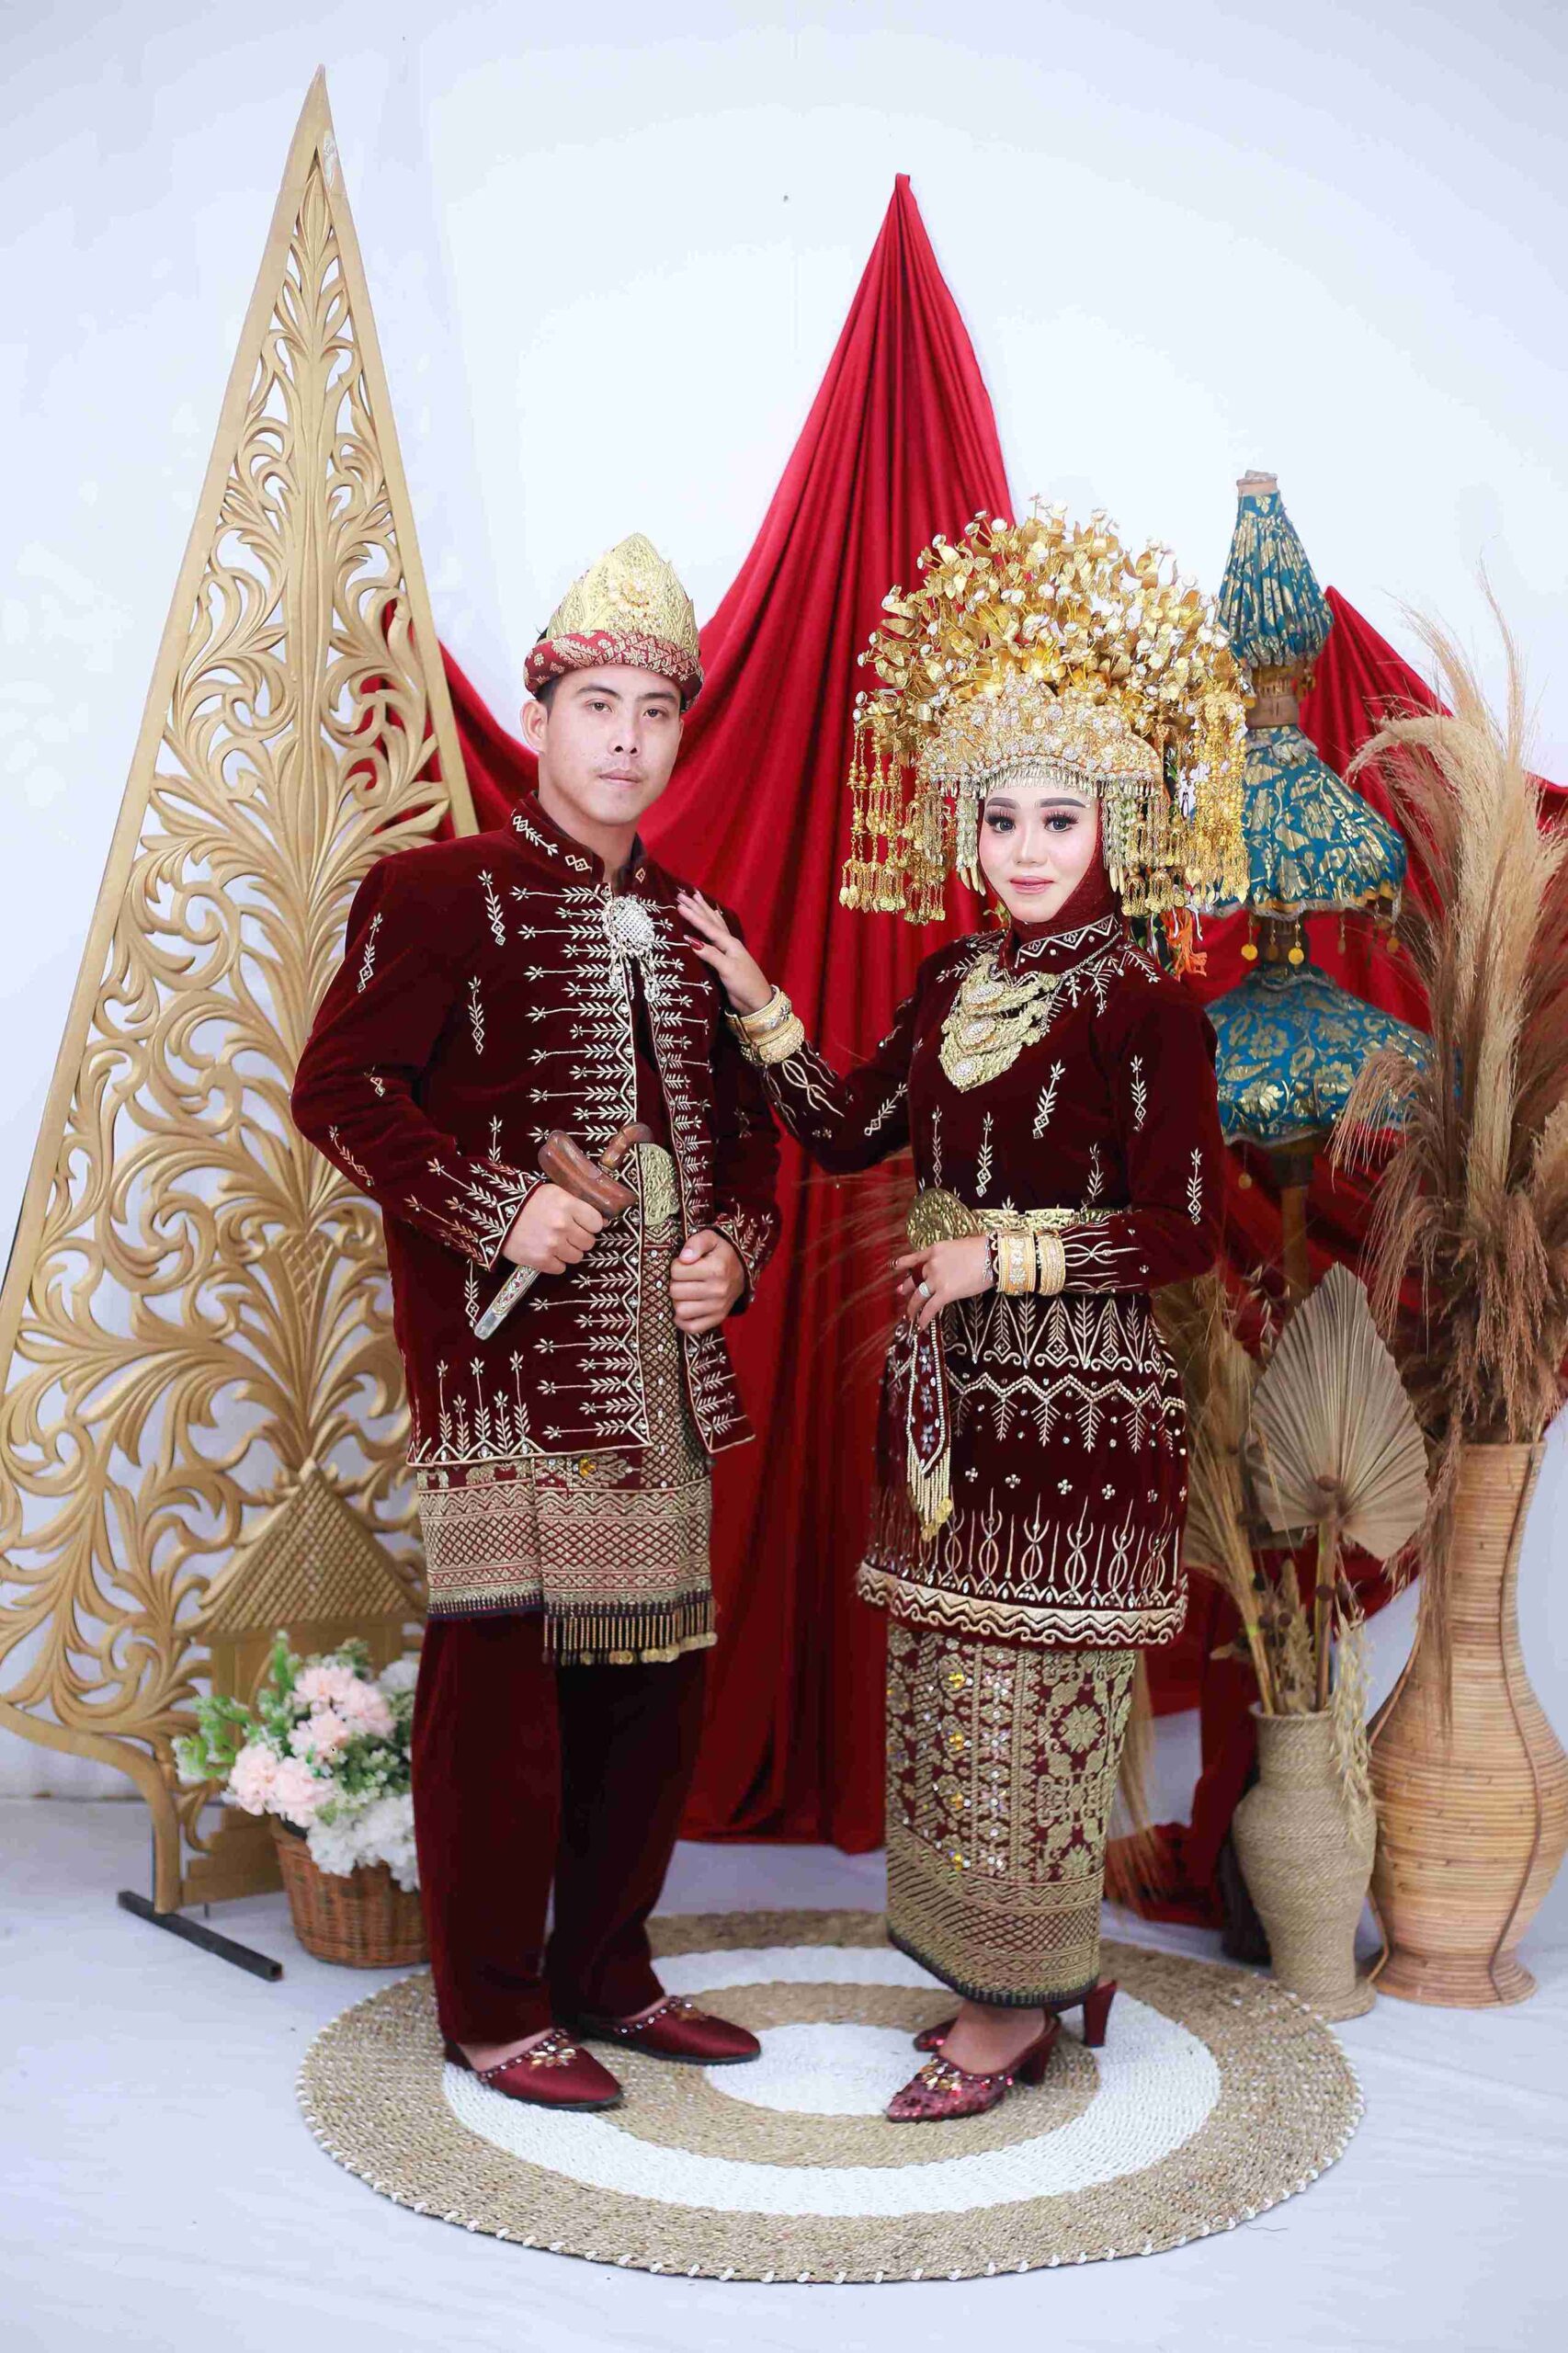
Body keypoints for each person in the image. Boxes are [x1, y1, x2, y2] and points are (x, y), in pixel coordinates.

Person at [680, 507, 1242, 2122]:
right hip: (944, 1407)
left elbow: (1186, 1230)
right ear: (964, 829)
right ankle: (1020, 1980)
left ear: (1116, 824)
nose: (1023, 849)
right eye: (999, 818)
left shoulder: (1146, 1002)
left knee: (1029, 1713)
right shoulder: (946, 982)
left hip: (1079, 1411)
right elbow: (845, 1131)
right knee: (941, 1707)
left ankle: (1012, 2014)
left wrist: (1005, 1263)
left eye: (1058, 817)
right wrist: (755, 1000)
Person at [292, 534, 780, 2110]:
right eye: (598, 707)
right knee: (502, 1700)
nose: (627, 739)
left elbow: (750, 1143)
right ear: (543, 715)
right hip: (505, 1380)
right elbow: (338, 1091)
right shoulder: (436, 892)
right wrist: (497, 1206)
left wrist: (731, 1252)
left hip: (662, 1383)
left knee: (648, 1700)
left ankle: (609, 1975)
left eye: (656, 712)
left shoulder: (699, 921)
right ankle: (496, 2007)